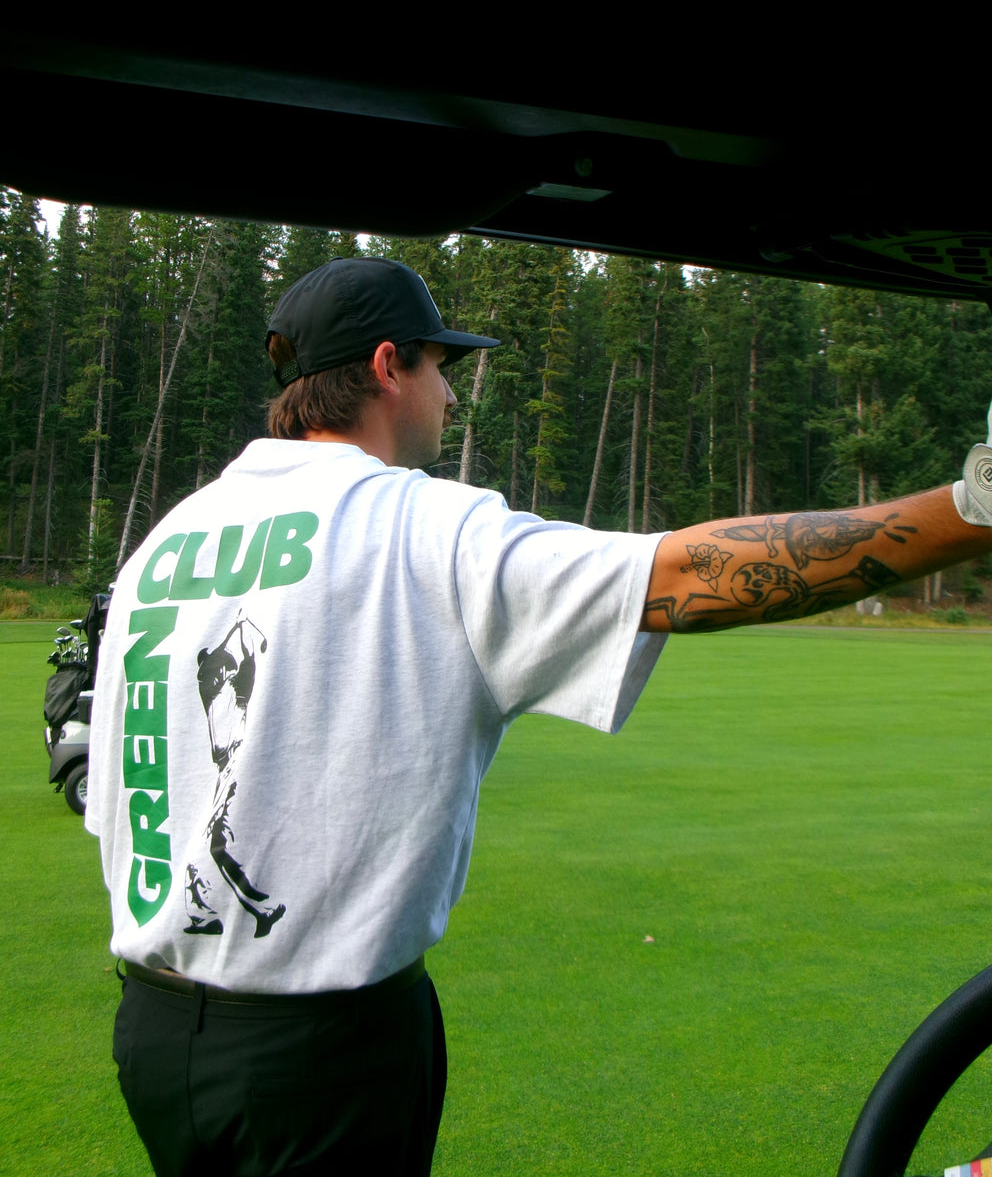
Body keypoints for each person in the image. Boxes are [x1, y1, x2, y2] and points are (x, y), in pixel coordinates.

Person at [86, 256, 992, 1177]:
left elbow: (114, 799)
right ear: (390, 366)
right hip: (320, 1054)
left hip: (155, 1036)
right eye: (444, 368)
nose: (450, 394)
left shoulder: (169, 539)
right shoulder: (425, 526)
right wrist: (973, 510)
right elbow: (683, 576)